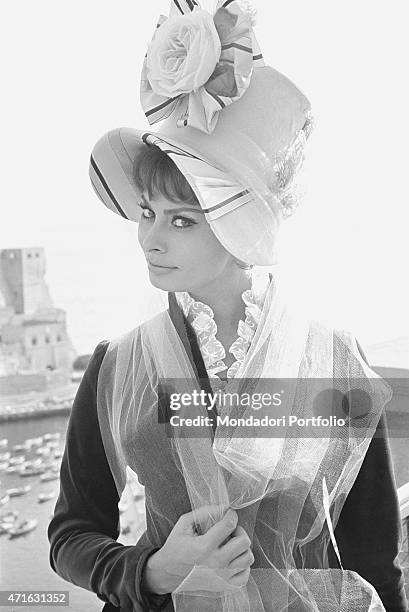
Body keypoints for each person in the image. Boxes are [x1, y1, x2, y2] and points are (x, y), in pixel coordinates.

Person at [48, 1, 408, 611]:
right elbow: (71, 534)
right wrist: (157, 570)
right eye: (147, 214)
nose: (150, 238)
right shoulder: (118, 364)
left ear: (239, 229)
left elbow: (372, 549)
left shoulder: (331, 355)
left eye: (182, 220)